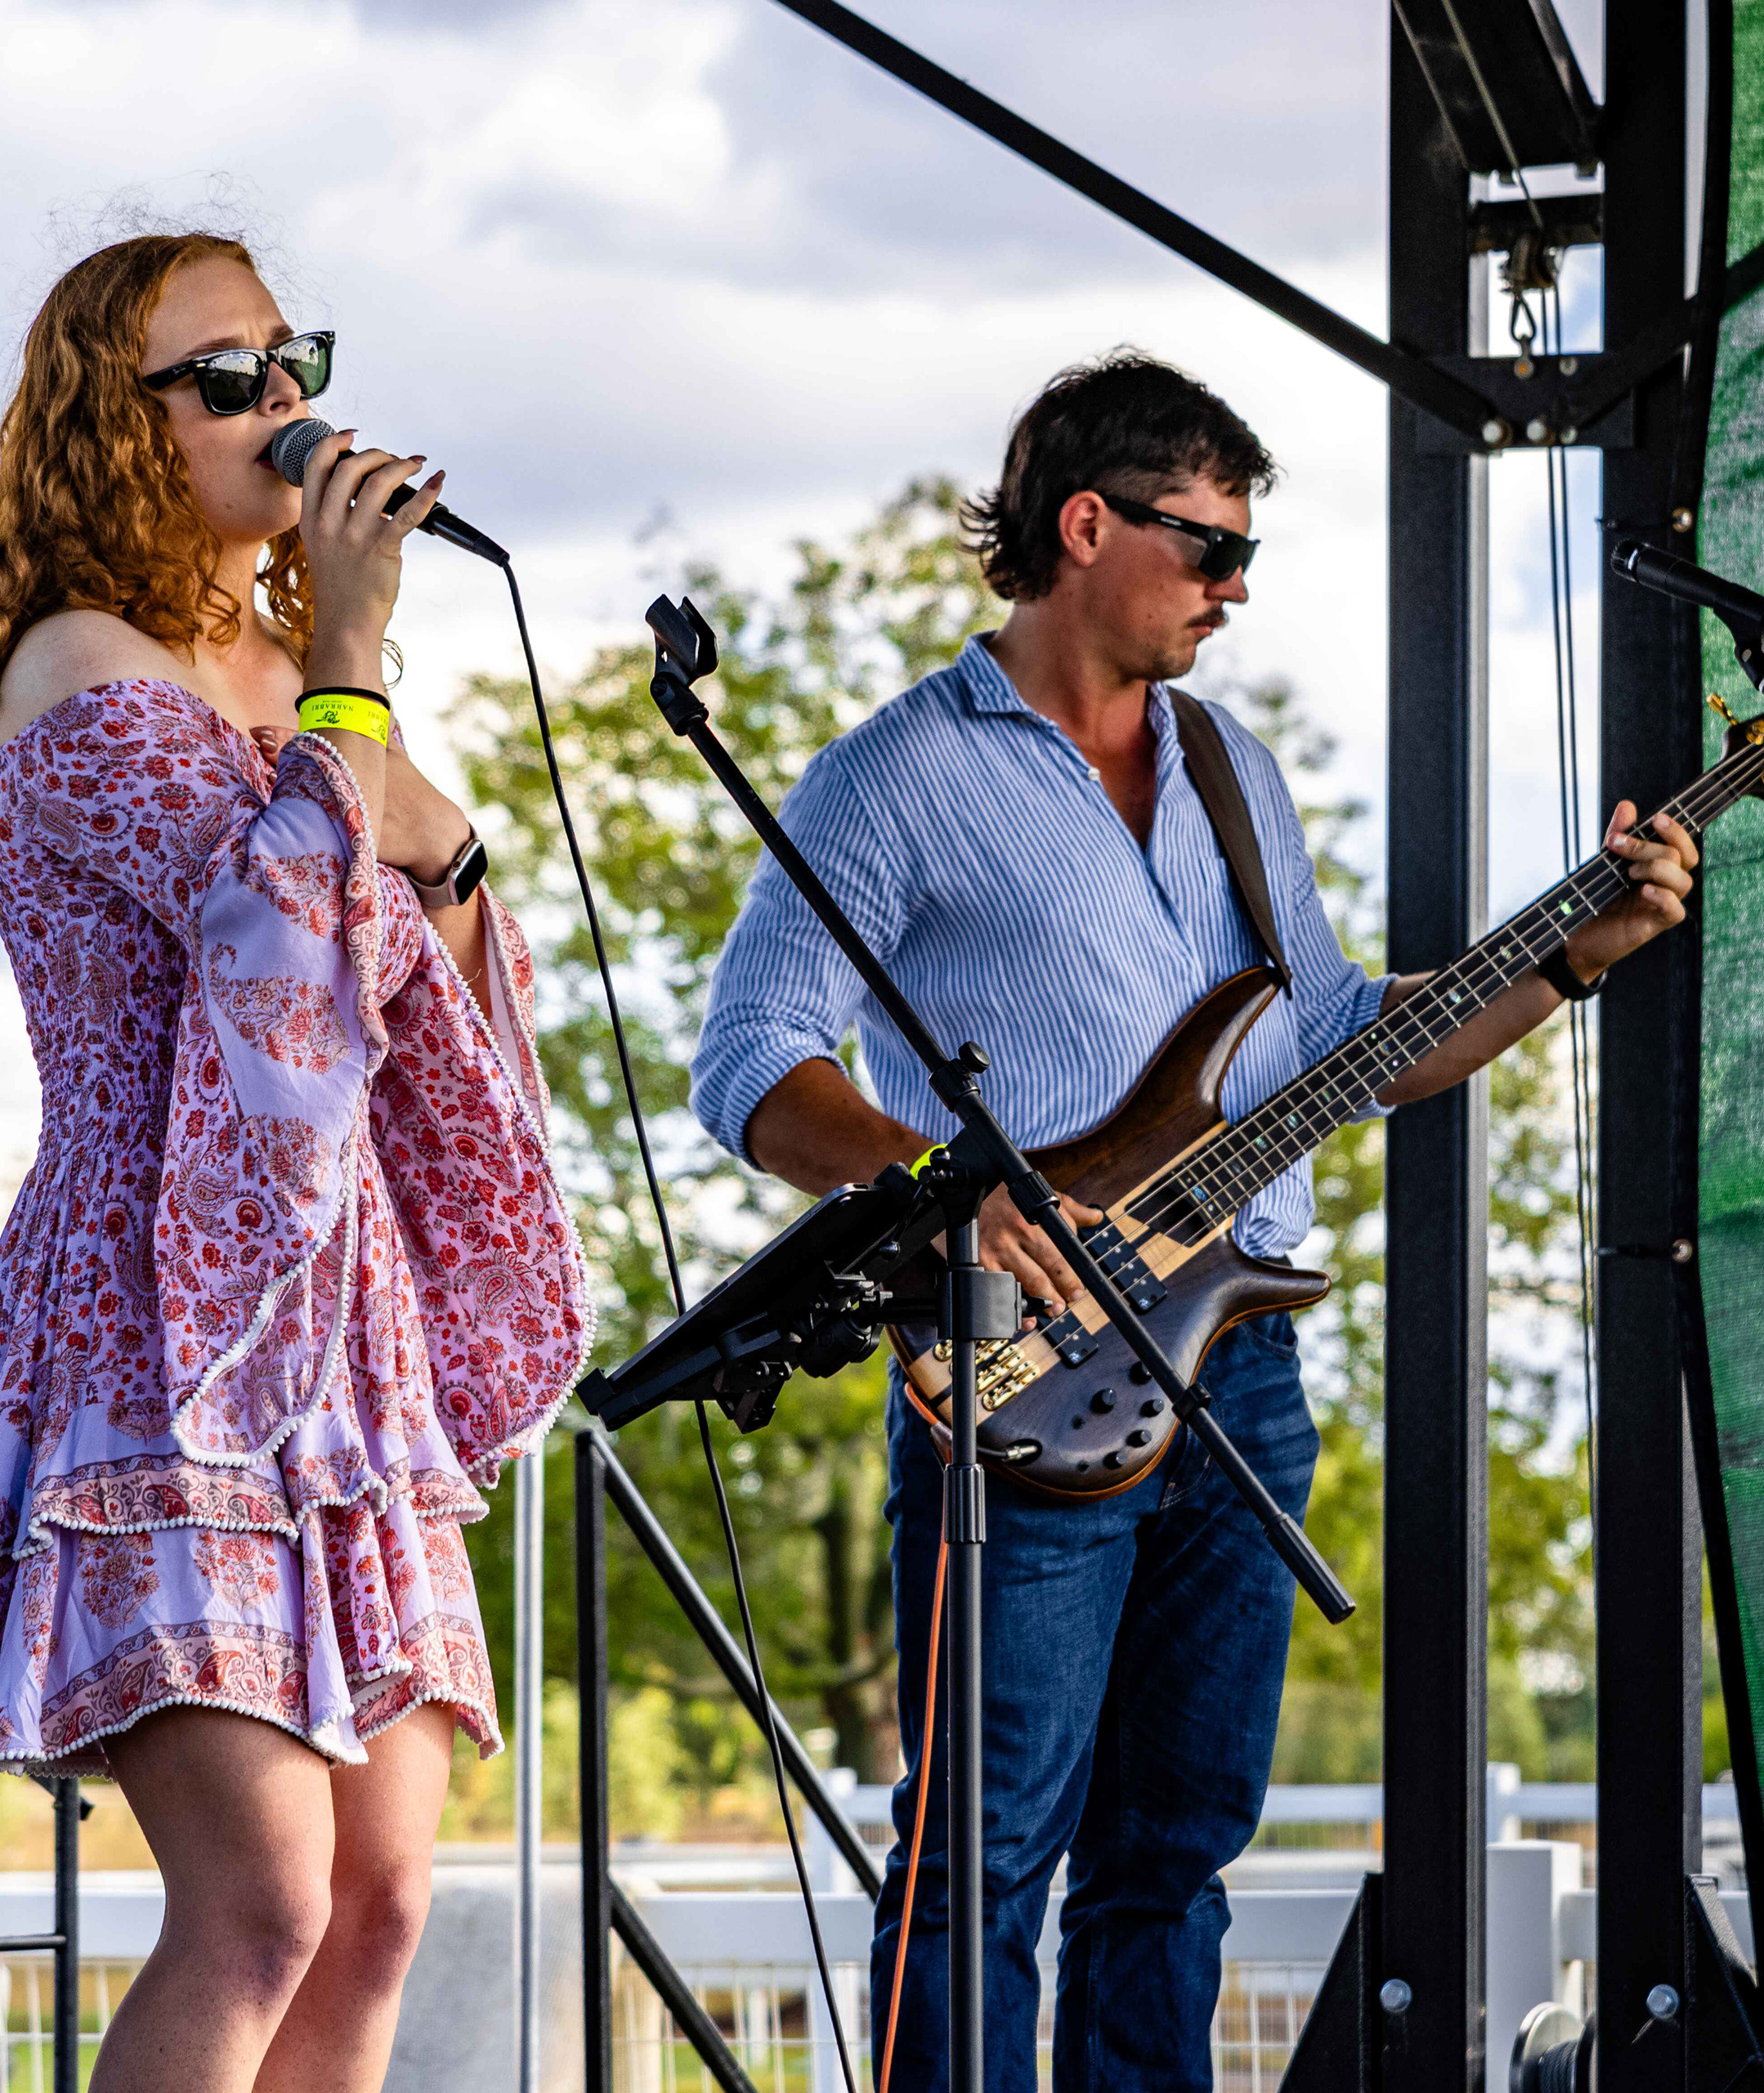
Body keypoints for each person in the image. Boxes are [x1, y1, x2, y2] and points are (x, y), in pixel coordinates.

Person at [692, 350, 1699, 2091]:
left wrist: (1570, 956)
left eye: (1246, 553)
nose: (1234, 587)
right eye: (1209, 547)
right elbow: (750, 1059)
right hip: (1019, 1377)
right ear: (1086, 526)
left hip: (1239, 1374)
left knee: (1172, 1859)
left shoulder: (1230, 765)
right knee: (980, 1857)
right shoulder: (896, 772)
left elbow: (1338, 1042)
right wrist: (945, 1190)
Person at [0, 231, 587, 2093]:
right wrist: (347, 670)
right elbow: (277, 958)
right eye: (227, 376)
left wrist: (440, 843)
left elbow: (416, 988)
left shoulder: (283, 677)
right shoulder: (80, 672)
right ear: (112, 428)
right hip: (163, 1326)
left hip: (348, 1345)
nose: (285, 403)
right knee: (262, 1901)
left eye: (295, 360)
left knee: (377, 1907)